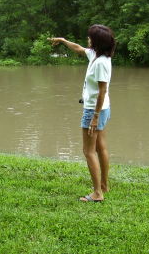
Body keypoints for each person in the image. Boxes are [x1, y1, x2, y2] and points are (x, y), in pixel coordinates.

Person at [49, 24, 115, 202]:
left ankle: (97, 194)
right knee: (101, 148)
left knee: (88, 151)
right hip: (103, 109)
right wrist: (63, 41)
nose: (88, 40)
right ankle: (104, 186)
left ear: (97, 42)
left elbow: (102, 91)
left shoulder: (101, 63)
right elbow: (78, 49)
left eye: (90, 37)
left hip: (94, 110)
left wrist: (94, 117)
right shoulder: (96, 55)